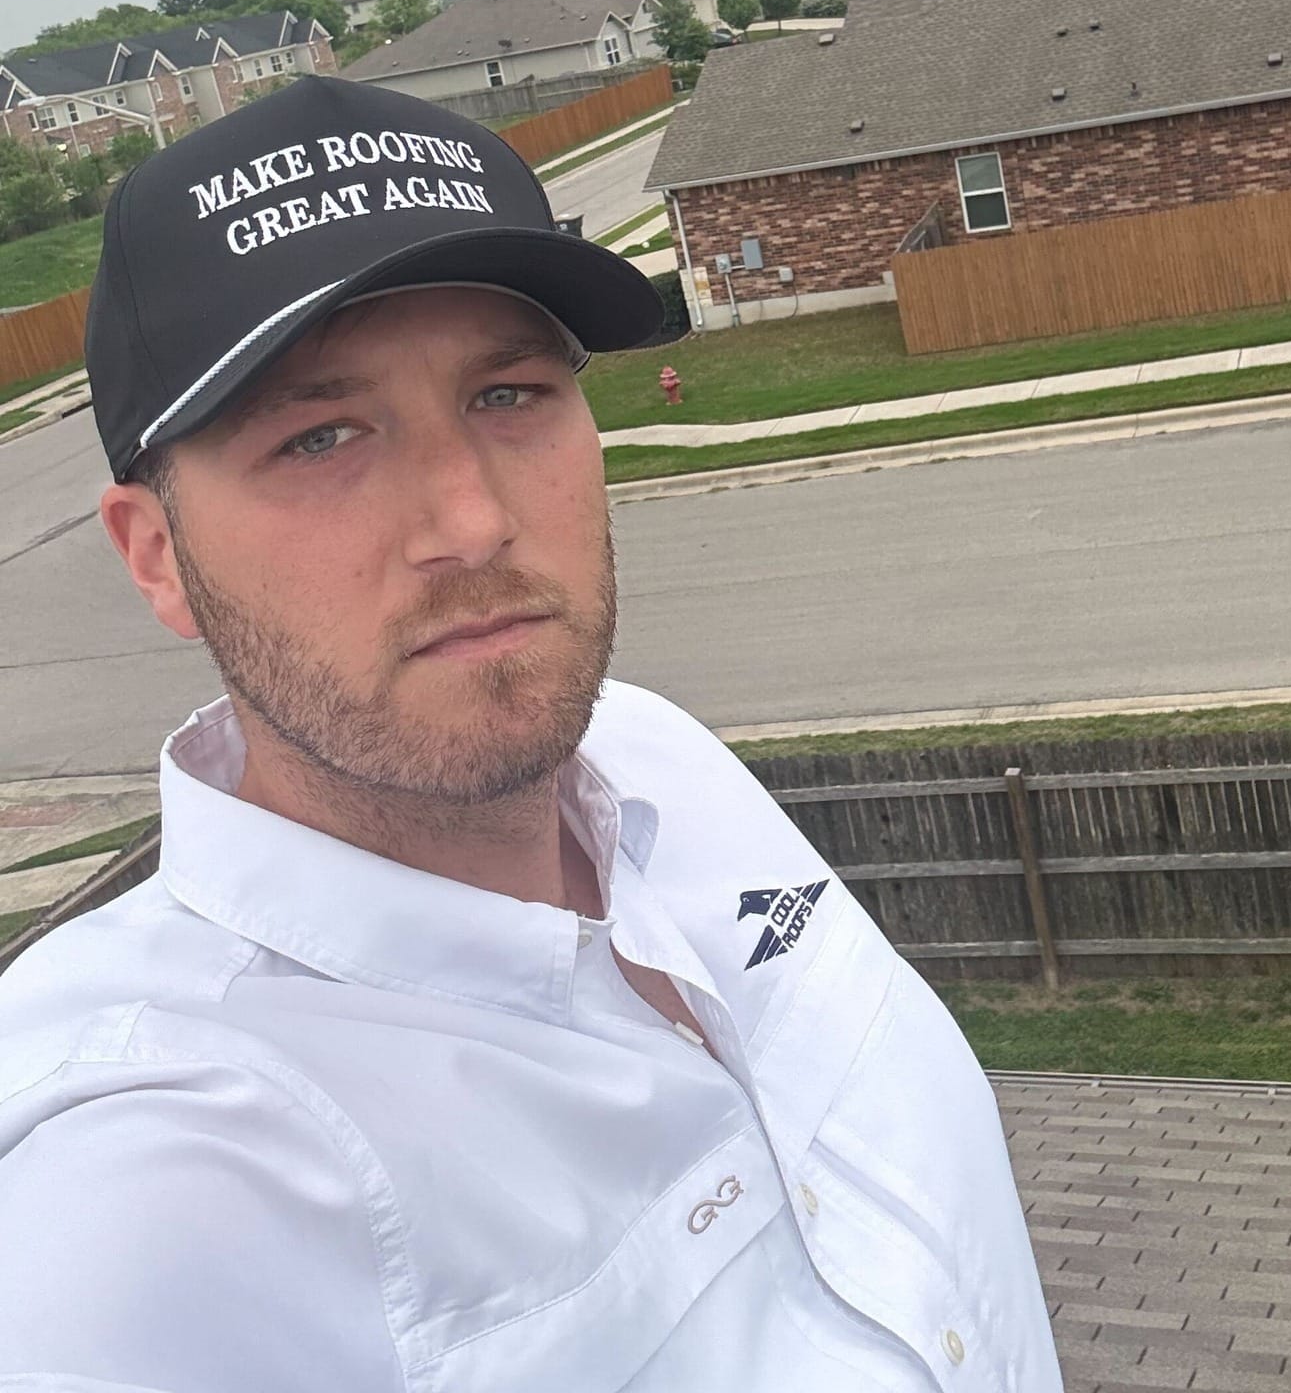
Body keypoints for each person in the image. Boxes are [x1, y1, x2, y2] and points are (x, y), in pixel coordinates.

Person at [0, 75, 1061, 1391]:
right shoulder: (142, 1211)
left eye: (509, 396)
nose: (471, 520)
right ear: (156, 558)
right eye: (321, 434)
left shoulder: (658, 758)